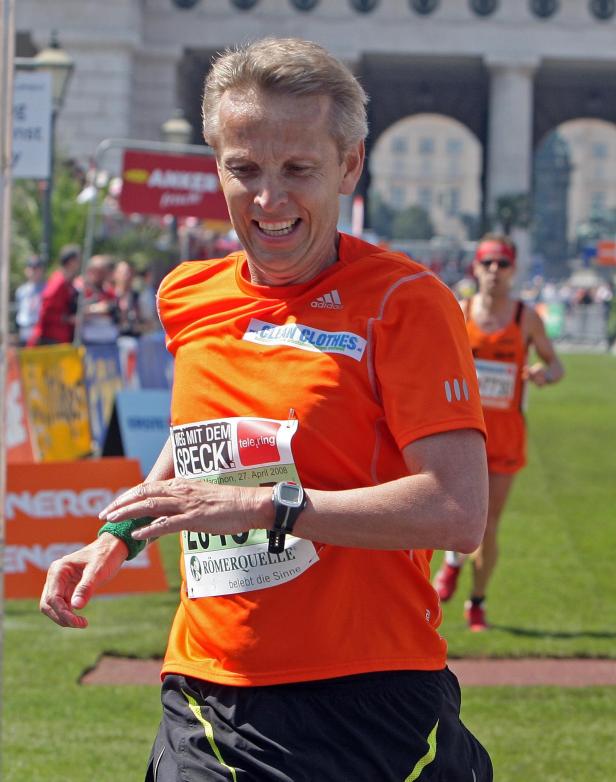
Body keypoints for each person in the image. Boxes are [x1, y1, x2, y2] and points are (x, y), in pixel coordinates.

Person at [41, 38, 493, 781]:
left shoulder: (406, 303)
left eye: (298, 170)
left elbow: (455, 512)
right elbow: (199, 442)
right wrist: (115, 537)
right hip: (204, 685)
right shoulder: (188, 294)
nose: (268, 200)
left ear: (350, 164)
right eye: (243, 169)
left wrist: (264, 508)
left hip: (364, 694)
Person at [433, 233, 564, 631]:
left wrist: (544, 374)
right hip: (461, 433)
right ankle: (453, 560)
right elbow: (431, 360)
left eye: (502, 264)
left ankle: (477, 601)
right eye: (487, 263)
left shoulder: (526, 318)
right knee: (454, 515)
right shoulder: (460, 311)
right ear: (476, 267)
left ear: (513, 270)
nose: (494, 271)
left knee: (488, 525)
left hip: (505, 436)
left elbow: (556, 365)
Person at [27, 244, 81, 346]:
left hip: (62, 336)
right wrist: (68, 319)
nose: (79, 263)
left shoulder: (68, 282)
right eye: (78, 260)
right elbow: (46, 312)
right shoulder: (58, 282)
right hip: (51, 338)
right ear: (71, 261)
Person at [78, 254, 120, 345]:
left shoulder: (108, 290)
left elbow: (114, 309)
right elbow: (78, 311)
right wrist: (97, 309)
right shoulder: (80, 288)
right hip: (89, 340)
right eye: (98, 271)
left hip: (108, 339)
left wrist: (104, 309)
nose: (101, 275)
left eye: (103, 272)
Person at [14, 256, 46, 345]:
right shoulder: (21, 290)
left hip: (38, 330)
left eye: (37, 268)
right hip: (23, 329)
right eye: (31, 267)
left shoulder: (46, 288)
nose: (34, 271)